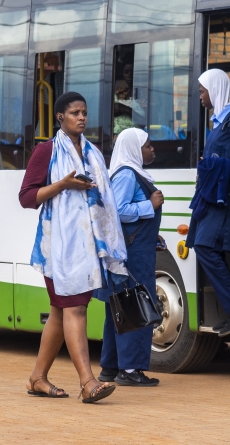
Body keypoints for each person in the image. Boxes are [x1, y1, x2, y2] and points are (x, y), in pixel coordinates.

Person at [19, 91, 128, 404]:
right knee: (75, 308)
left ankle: (38, 378)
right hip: (58, 248)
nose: (81, 118)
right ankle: (88, 381)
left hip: (87, 248)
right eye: (75, 113)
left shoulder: (92, 152)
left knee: (59, 311)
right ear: (60, 118)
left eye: (84, 112)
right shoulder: (47, 151)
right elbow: (27, 197)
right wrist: (62, 185)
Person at [97, 128, 164, 388]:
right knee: (136, 307)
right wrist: (150, 205)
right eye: (147, 146)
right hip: (132, 256)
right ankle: (130, 369)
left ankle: (110, 367)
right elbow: (118, 210)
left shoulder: (131, 173)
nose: (151, 149)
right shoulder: (127, 175)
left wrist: (153, 236)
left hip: (136, 249)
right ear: (134, 149)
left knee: (120, 308)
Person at [187, 69, 230, 337]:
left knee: (206, 246)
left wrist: (219, 167)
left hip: (223, 198)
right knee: (201, 244)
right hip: (210, 196)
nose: (200, 96)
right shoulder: (217, 122)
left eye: (202, 91)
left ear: (215, 90)